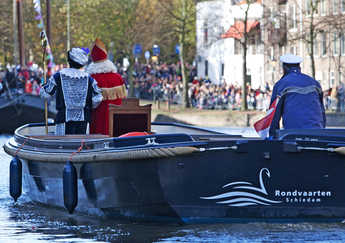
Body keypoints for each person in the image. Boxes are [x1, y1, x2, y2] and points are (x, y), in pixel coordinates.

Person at [39, 47, 103, 135]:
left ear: (69, 60)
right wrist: (87, 105)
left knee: (65, 146)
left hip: (64, 118)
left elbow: (45, 95)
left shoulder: (58, 77)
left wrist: (43, 87)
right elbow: (98, 98)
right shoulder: (89, 79)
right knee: (81, 145)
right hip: (83, 118)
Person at [269, 54, 326, 138]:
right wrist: (322, 131)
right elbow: (321, 111)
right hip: (316, 132)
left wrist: (273, 137)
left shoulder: (281, 84)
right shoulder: (314, 83)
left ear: (284, 69)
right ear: (300, 68)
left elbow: (274, 114)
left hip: (292, 133)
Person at [86, 38, 127, 135]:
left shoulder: (91, 79)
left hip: (97, 123)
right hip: (116, 125)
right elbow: (124, 101)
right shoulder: (118, 77)